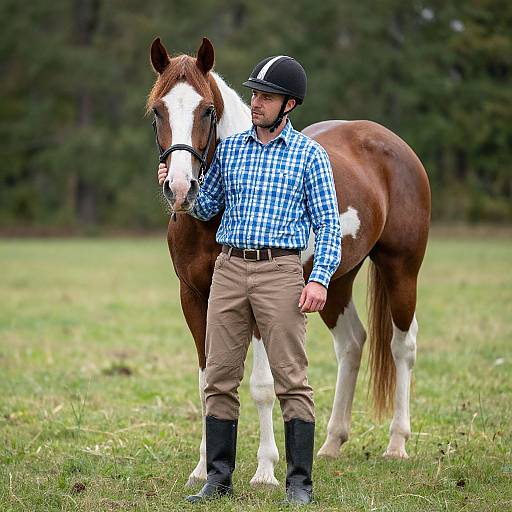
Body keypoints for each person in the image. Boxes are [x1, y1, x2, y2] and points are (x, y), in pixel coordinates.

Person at [157, 56, 341, 505]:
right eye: (255, 94)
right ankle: (218, 479)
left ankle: (299, 483)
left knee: (292, 379)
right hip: (230, 269)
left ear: (289, 105)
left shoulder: (310, 156)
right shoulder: (234, 148)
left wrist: (318, 279)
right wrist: (179, 193)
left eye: (267, 97)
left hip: (280, 270)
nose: (256, 103)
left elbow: (329, 227)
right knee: (219, 375)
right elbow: (207, 205)